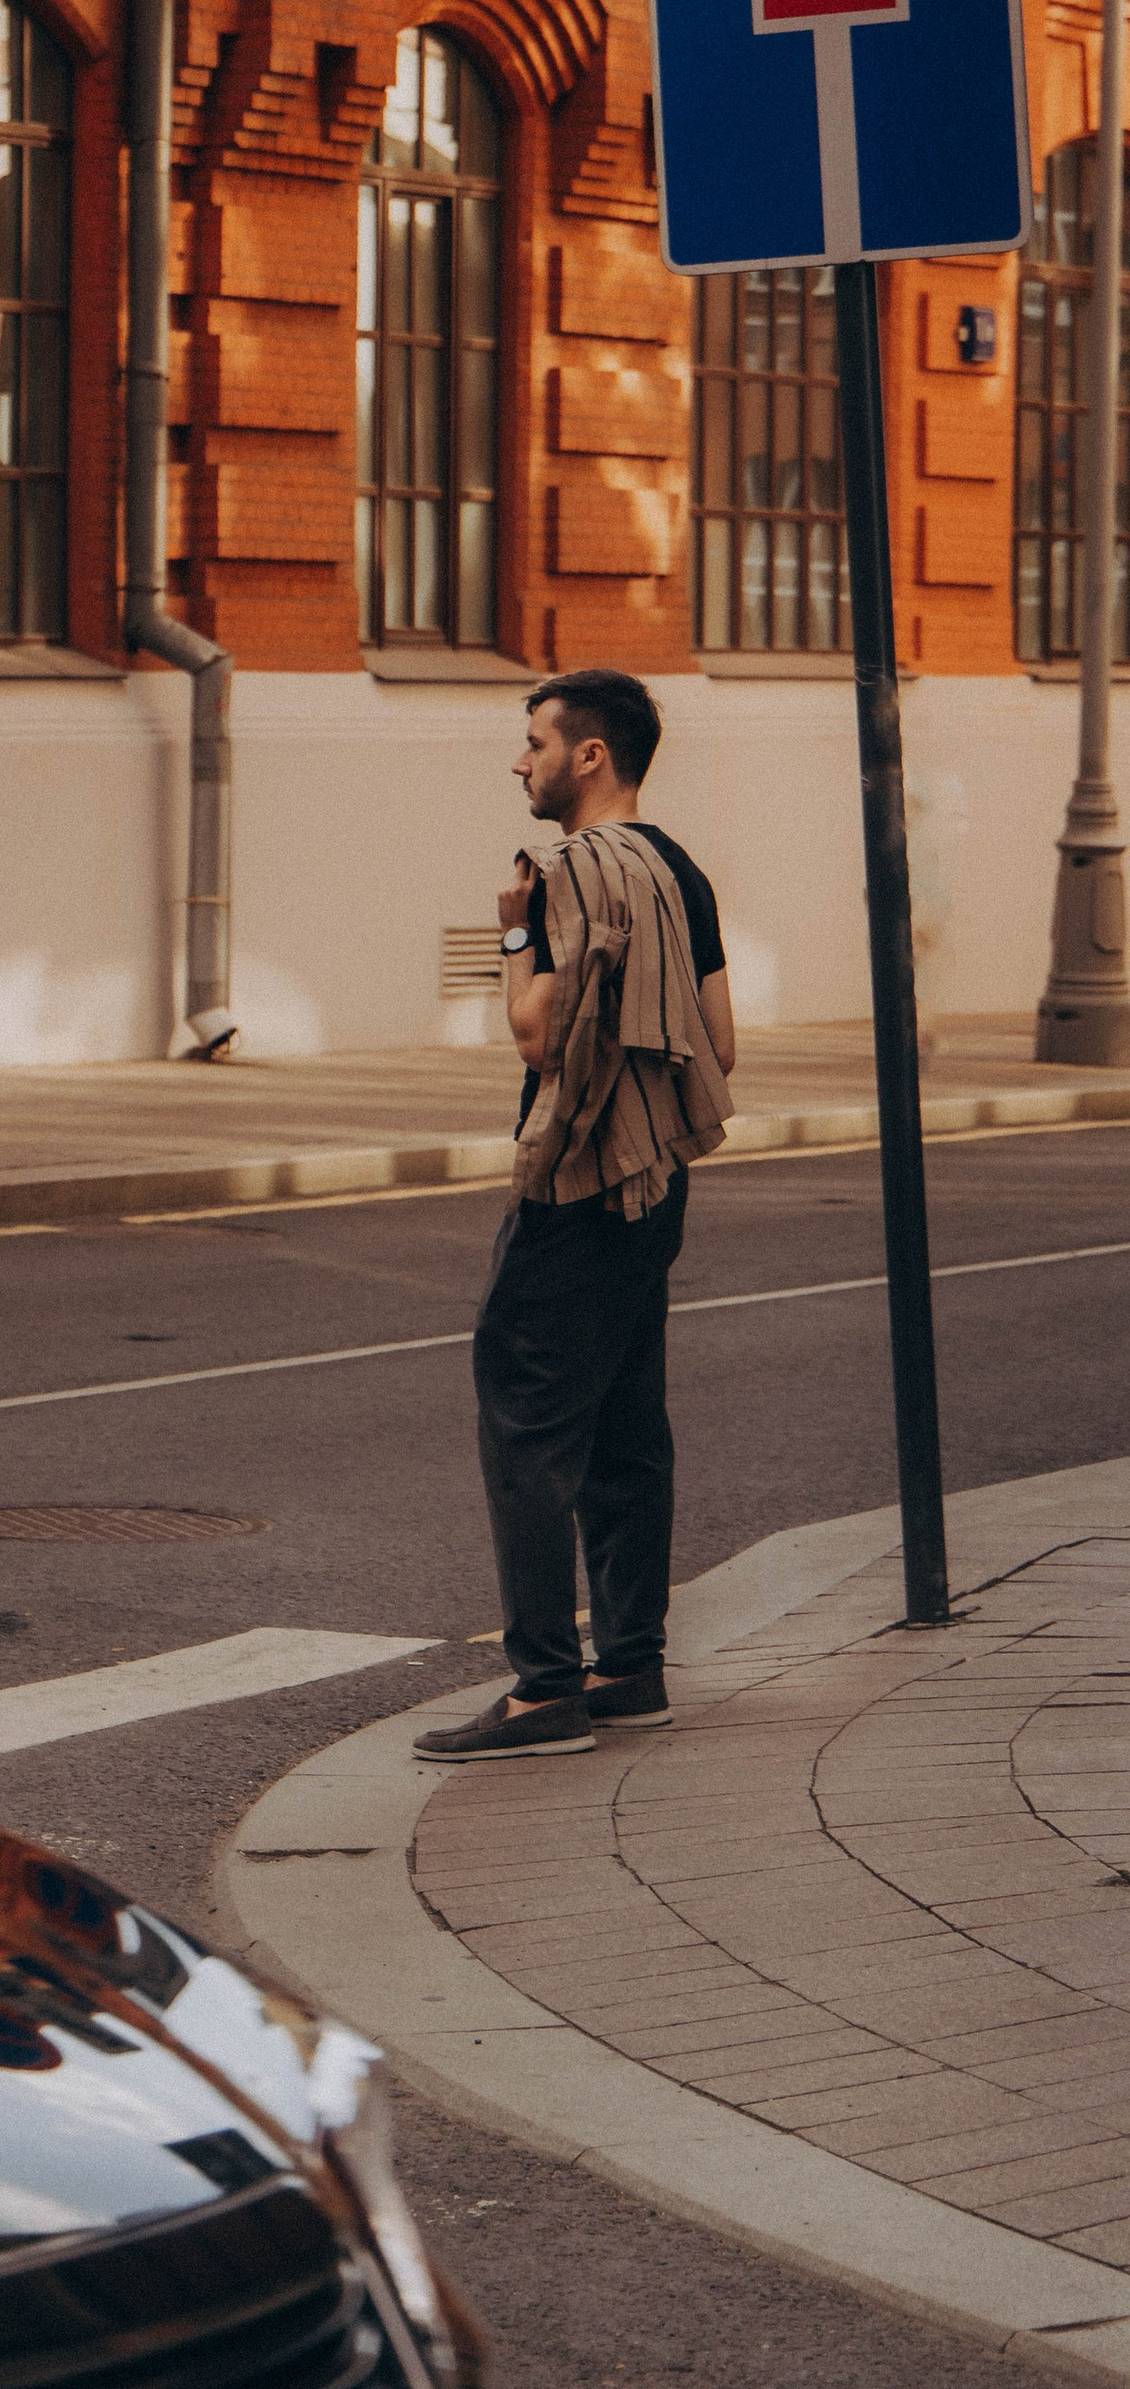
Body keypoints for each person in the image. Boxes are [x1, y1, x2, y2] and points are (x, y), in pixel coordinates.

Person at [417, 669, 738, 1762]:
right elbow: (719, 1044)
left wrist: (512, 937)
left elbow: (538, 1039)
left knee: (524, 1421)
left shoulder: (560, 873)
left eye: (534, 743)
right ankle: (631, 1667)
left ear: (588, 755)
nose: (520, 762)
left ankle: (544, 1690)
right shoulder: (678, 870)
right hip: (656, 1181)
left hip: (575, 1183)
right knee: (624, 1427)